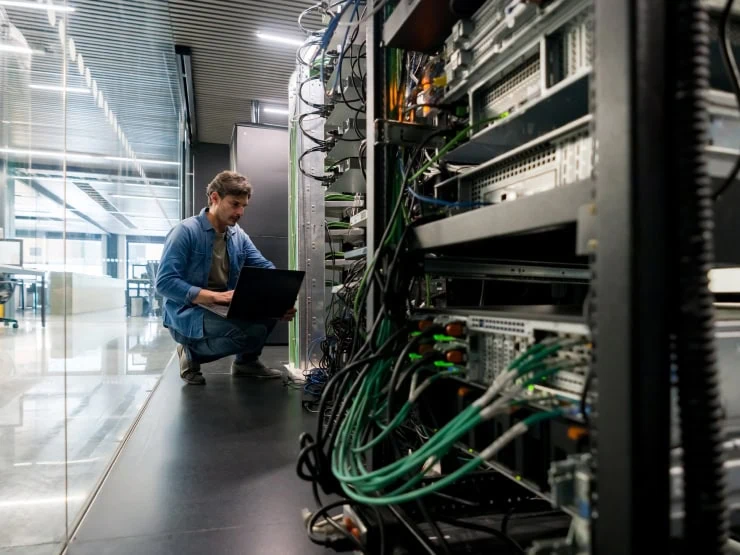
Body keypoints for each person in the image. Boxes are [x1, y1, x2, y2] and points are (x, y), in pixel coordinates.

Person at [155, 170, 296, 385]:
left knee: (268, 314)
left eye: (243, 206)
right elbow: (164, 283)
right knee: (248, 335)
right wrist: (212, 297)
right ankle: (190, 353)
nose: (240, 212)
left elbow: (264, 267)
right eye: (234, 204)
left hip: (222, 305)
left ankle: (246, 363)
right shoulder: (185, 232)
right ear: (214, 198)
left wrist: (279, 299)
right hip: (188, 310)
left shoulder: (238, 235)